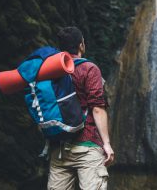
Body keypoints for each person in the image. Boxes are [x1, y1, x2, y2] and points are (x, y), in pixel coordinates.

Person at [47, 26, 114, 190]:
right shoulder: (89, 69)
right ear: (81, 45)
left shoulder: (50, 71)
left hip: (59, 147)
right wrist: (106, 143)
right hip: (87, 146)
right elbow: (97, 108)